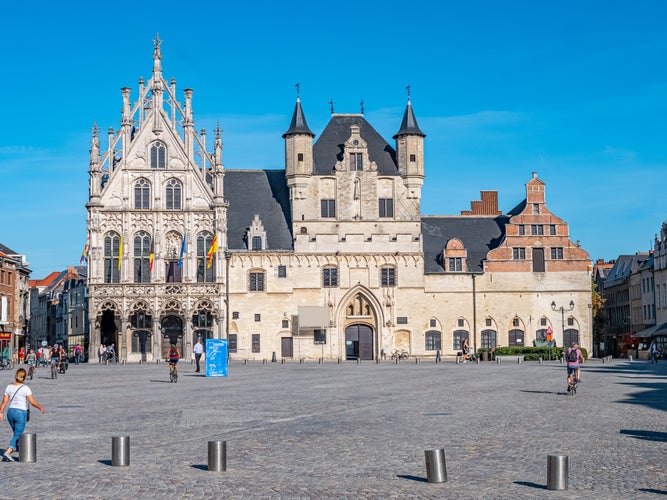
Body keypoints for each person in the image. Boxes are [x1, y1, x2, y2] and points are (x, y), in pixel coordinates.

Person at [0, 368, 46, 461]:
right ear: (24, 377)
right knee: (18, 434)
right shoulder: (25, 388)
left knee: (16, 433)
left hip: (10, 413)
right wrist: (40, 407)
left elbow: (4, 401)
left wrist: (0, 412)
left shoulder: (9, 387)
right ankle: (8, 452)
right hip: (20, 413)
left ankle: (19, 449)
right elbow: (32, 402)